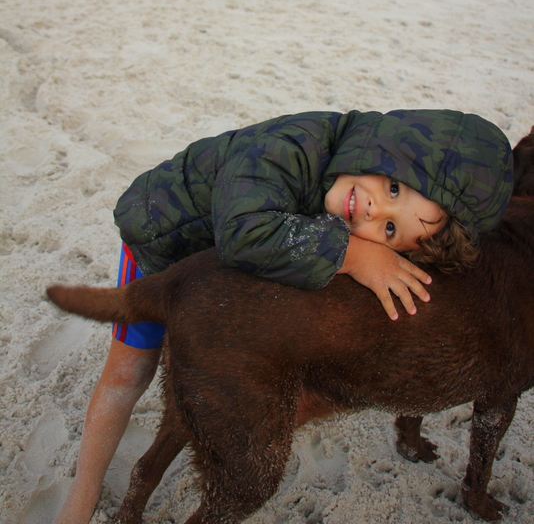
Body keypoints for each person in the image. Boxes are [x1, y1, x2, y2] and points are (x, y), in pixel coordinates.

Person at [54, 108, 513, 524]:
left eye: (390, 229)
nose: (376, 209)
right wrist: (355, 254)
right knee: (129, 373)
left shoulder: (351, 185)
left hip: (216, 279)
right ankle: (81, 496)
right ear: (388, 144)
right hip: (163, 238)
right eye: (394, 187)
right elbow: (244, 230)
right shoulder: (295, 145)